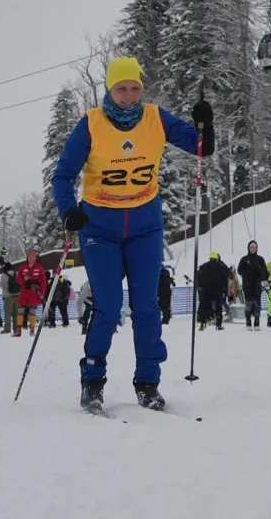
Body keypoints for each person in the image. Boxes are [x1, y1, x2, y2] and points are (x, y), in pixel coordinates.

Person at [50, 56, 205, 413]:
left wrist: (204, 125)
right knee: (106, 306)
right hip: (99, 228)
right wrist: (68, 209)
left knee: (147, 307)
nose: (129, 95)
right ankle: (92, 380)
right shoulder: (90, 124)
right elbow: (62, 176)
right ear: (110, 88)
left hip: (145, 226)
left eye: (135, 87)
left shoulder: (155, 117)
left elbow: (199, 147)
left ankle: (147, 382)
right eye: (122, 88)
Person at [14, 249, 48, 337]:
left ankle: (32, 330)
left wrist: (41, 293)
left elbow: (44, 283)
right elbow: (18, 280)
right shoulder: (23, 268)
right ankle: (18, 330)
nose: (31, 258)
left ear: (35, 258)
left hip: (34, 294)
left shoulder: (40, 268)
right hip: (24, 293)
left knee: (32, 312)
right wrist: (24, 279)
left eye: (33, 257)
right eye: (30, 257)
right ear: (27, 258)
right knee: (20, 311)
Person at [237, 240, 269, 331]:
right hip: (247, 285)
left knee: (257, 304)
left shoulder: (260, 259)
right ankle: (248, 322)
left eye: (255, 247)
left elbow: (265, 272)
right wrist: (248, 271)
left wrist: (264, 280)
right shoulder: (244, 259)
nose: (253, 249)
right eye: (252, 247)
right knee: (249, 304)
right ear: (248, 248)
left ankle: (257, 322)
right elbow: (239, 270)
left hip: (257, 285)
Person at [196, 251, 231, 330]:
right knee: (218, 307)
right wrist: (224, 288)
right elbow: (227, 275)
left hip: (207, 290)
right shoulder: (221, 266)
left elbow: (199, 277)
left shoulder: (204, 266)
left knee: (205, 306)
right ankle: (218, 324)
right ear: (216, 258)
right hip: (218, 290)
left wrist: (201, 286)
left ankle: (203, 324)